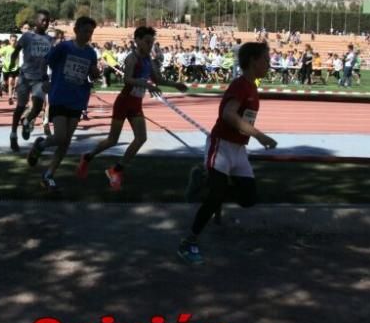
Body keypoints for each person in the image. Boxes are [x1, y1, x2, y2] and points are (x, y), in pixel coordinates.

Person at [178, 41, 277, 265]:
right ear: (253, 61)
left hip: (239, 150)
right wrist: (260, 136)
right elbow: (228, 115)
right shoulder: (240, 86)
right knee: (215, 197)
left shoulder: (252, 86)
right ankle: (188, 242)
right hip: (221, 145)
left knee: (249, 198)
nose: (269, 63)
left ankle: (205, 180)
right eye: (266, 59)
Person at [77, 26, 188, 189]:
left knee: (141, 138)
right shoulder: (132, 58)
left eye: (152, 42)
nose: (150, 45)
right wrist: (144, 83)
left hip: (136, 103)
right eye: (147, 42)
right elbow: (127, 80)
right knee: (112, 140)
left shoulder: (148, 60)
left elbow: (157, 79)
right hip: (124, 101)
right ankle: (87, 157)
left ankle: (116, 170)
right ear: (137, 41)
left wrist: (175, 84)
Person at [26, 16, 100, 194]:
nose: (88, 35)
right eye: (85, 31)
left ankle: (48, 175)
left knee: (65, 142)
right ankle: (40, 145)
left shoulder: (90, 53)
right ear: (76, 30)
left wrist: (95, 73)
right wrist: (44, 79)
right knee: (60, 137)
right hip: (59, 95)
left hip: (78, 99)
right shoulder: (63, 47)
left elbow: (91, 74)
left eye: (90, 32)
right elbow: (45, 61)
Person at [8, 10, 53, 152]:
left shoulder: (49, 40)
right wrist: (12, 64)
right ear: (36, 21)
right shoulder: (27, 36)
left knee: (38, 107)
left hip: (40, 79)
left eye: (47, 21)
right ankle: (13, 135)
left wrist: (49, 74)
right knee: (20, 107)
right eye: (43, 20)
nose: (45, 23)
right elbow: (16, 51)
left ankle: (27, 121)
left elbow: (50, 59)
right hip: (25, 77)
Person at [0, 33, 19, 104]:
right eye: (12, 40)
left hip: (16, 68)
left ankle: (12, 96)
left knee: (16, 81)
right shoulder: (6, 48)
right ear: (10, 41)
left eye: (15, 41)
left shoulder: (18, 48)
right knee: (9, 82)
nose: (14, 42)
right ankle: (9, 95)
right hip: (7, 68)